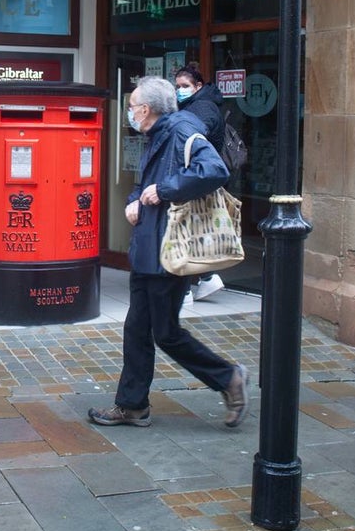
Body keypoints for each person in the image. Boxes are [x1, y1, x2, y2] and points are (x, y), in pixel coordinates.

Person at [88, 76, 249, 428]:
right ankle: (132, 405)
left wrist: (163, 190)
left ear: (145, 109)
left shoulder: (179, 131)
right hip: (150, 245)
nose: (129, 113)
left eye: (131, 107)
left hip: (169, 249)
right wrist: (135, 201)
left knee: (165, 333)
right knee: (137, 329)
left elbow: (214, 170)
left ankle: (228, 378)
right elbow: (145, 185)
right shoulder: (157, 134)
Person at [174, 66, 227, 303]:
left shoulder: (203, 108)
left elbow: (191, 138)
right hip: (196, 177)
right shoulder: (193, 106)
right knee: (194, 230)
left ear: (198, 86)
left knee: (183, 231)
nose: (180, 90)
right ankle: (207, 278)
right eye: (177, 86)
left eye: (185, 86)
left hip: (197, 178)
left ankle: (184, 290)